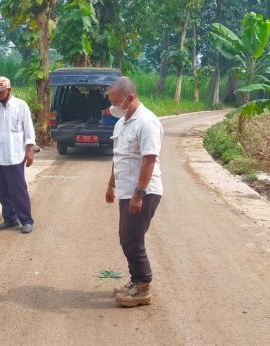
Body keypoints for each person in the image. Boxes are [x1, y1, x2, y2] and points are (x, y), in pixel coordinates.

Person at [104, 76, 164, 308]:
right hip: (126, 190)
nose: (112, 106)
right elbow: (118, 157)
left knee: (132, 239)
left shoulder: (147, 122)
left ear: (129, 98)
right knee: (126, 237)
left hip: (144, 192)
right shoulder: (121, 123)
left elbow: (149, 160)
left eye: (116, 101)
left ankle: (143, 285)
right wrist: (111, 185)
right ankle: (135, 281)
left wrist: (139, 193)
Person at [0, 76, 36, 234]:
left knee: (18, 190)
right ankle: (10, 218)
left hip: (15, 156)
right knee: (2, 190)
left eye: (0, 92)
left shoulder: (21, 106)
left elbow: (28, 131)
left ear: (9, 90)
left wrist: (30, 152)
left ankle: (26, 220)